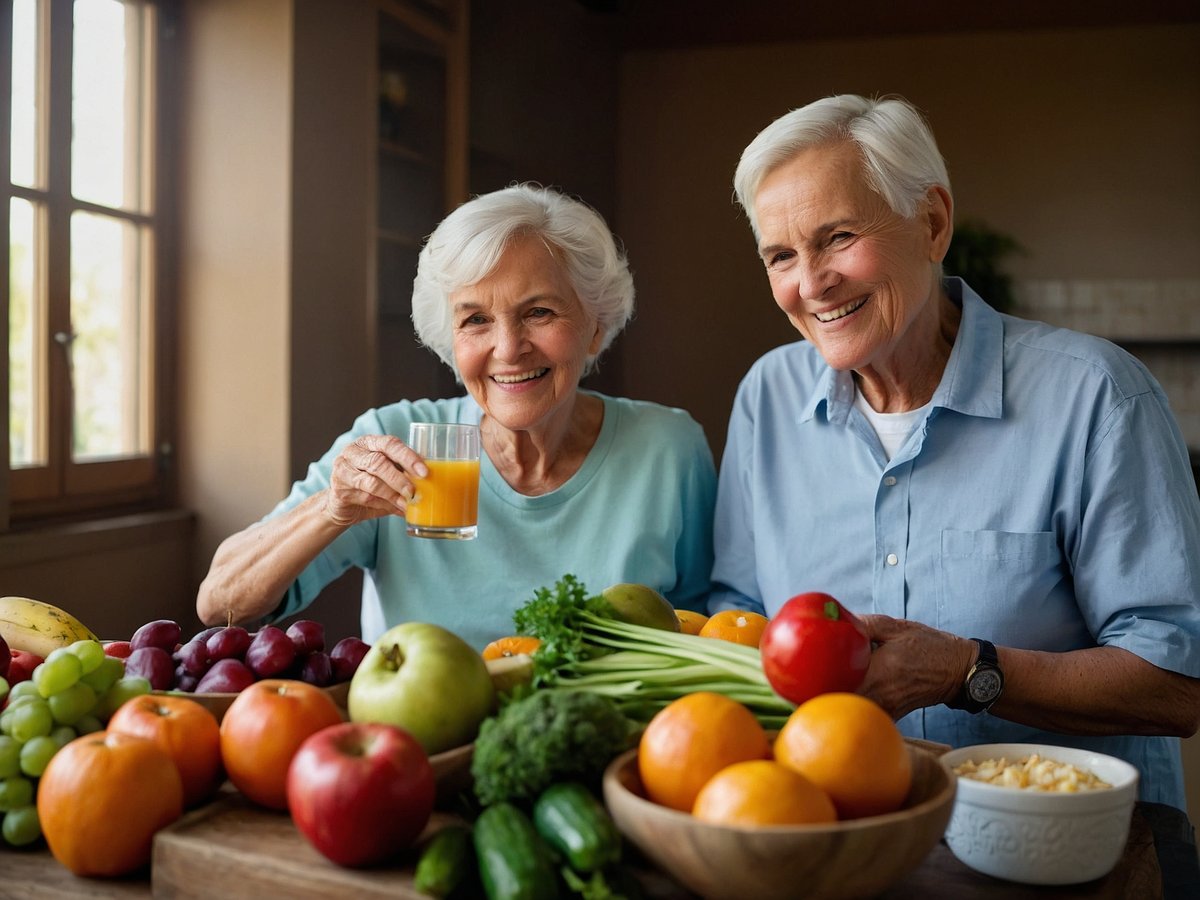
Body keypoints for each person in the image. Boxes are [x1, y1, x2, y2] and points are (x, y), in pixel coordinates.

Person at [711, 94, 1200, 817]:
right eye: (781, 255)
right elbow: (740, 613)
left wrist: (969, 671)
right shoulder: (766, 398)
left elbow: (1175, 682)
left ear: (933, 222)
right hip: (842, 841)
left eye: (838, 237)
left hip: (1070, 852)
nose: (810, 283)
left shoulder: (1097, 397)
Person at [198, 183, 715, 650]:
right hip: (423, 748)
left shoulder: (667, 450)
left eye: (539, 312)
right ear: (451, 342)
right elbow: (220, 603)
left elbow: (706, 629)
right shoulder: (394, 441)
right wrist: (334, 508)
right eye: (476, 320)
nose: (508, 349)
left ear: (595, 327)